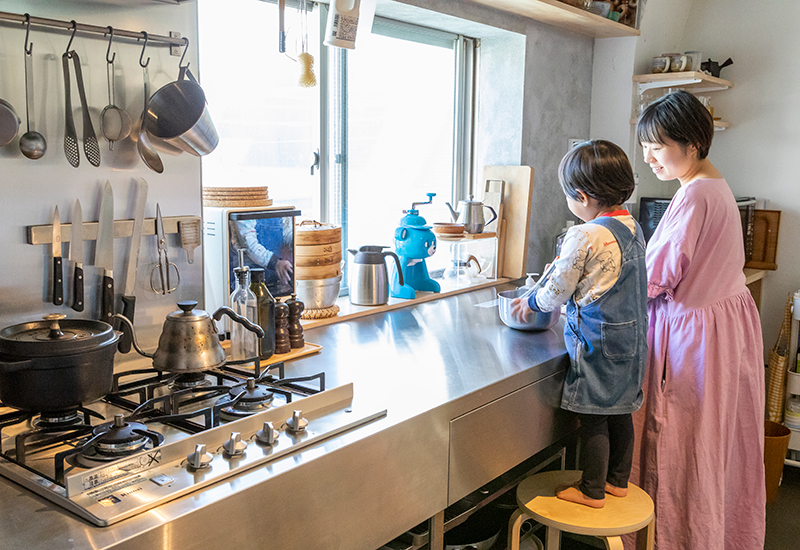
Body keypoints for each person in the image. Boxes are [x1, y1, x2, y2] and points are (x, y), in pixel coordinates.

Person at [635, 90, 765, 548]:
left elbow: (656, 278)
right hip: (721, 331)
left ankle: (678, 537)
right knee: (715, 445)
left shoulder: (693, 197)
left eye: (658, 146)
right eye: (645, 146)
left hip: (693, 338)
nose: (648, 157)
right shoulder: (716, 185)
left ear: (691, 144)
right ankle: (715, 533)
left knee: (682, 445)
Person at [511, 140, 648, 508]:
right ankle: (618, 481)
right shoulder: (631, 227)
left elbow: (558, 285)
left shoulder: (585, 234)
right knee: (620, 411)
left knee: (593, 417)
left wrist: (531, 304)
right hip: (632, 339)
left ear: (582, 196)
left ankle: (592, 490)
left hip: (598, 341)